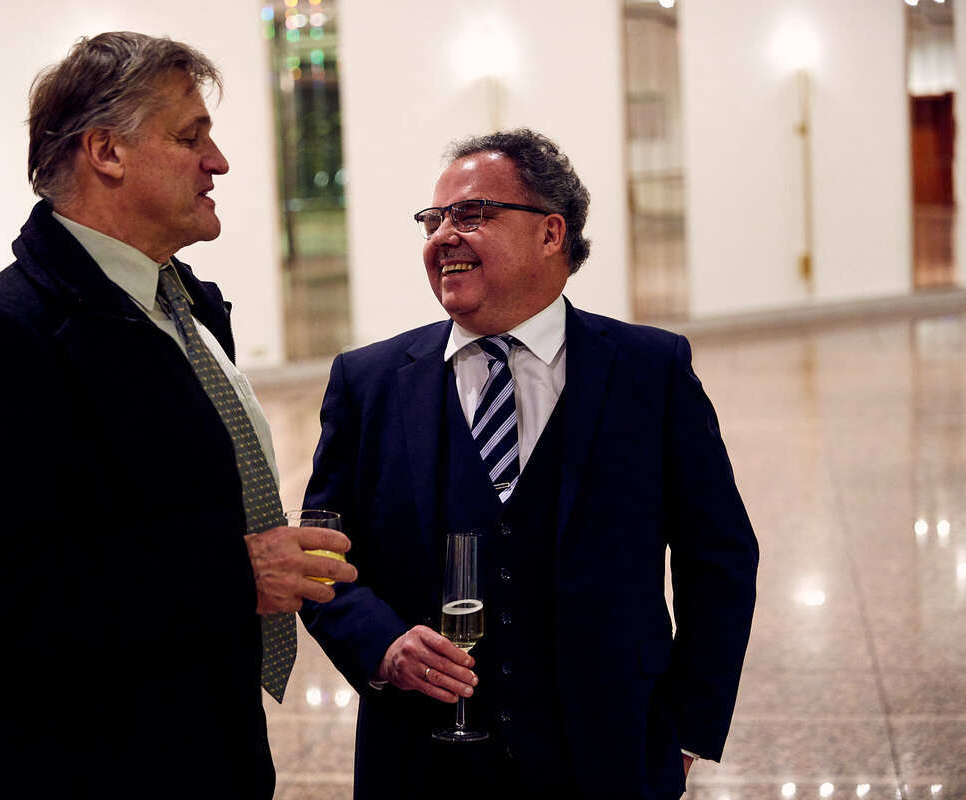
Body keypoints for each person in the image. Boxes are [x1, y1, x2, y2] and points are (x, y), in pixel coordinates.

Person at [0, 32, 356, 799]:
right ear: (106, 152)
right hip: (99, 768)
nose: (217, 162)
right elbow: (11, 605)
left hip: (212, 744)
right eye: (189, 137)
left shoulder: (182, 303)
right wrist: (234, 572)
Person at [300, 129, 758, 798]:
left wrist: (686, 732)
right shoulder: (368, 382)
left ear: (550, 233)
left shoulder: (649, 371)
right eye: (433, 219)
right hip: (421, 759)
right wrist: (381, 645)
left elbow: (718, 558)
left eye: (471, 214)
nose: (443, 236)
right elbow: (319, 557)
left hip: (609, 755)